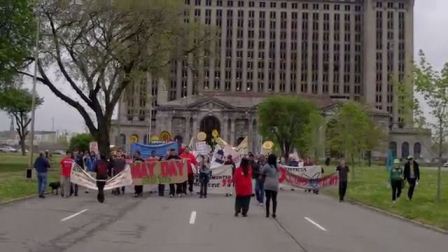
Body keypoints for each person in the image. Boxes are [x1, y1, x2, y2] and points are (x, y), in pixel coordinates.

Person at [262, 154, 280, 218]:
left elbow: (262, 172)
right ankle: (274, 212)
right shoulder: (277, 166)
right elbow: (279, 172)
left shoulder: (266, 166)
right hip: (275, 184)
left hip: (268, 184)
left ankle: (267, 213)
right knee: (274, 199)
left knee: (268, 199)